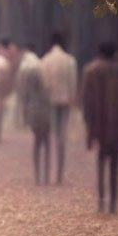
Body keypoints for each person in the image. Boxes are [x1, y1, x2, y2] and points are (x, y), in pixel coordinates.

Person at [81, 41, 118, 213]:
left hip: (99, 123)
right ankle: (113, 202)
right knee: (115, 162)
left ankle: (101, 200)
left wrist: (89, 128)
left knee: (101, 160)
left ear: (99, 52)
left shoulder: (90, 72)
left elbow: (87, 103)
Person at [40, 32, 78, 183]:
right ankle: (59, 175)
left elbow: (43, 84)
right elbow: (73, 83)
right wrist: (72, 99)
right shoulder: (70, 60)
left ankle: (47, 172)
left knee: (49, 135)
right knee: (61, 136)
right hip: (65, 101)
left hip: (50, 101)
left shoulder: (45, 60)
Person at [16, 47, 53, 185]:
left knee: (37, 142)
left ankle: (38, 175)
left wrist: (24, 113)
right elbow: (47, 89)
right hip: (44, 109)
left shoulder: (24, 69)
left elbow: (22, 93)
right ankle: (46, 175)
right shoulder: (40, 66)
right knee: (46, 142)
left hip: (33, 109)